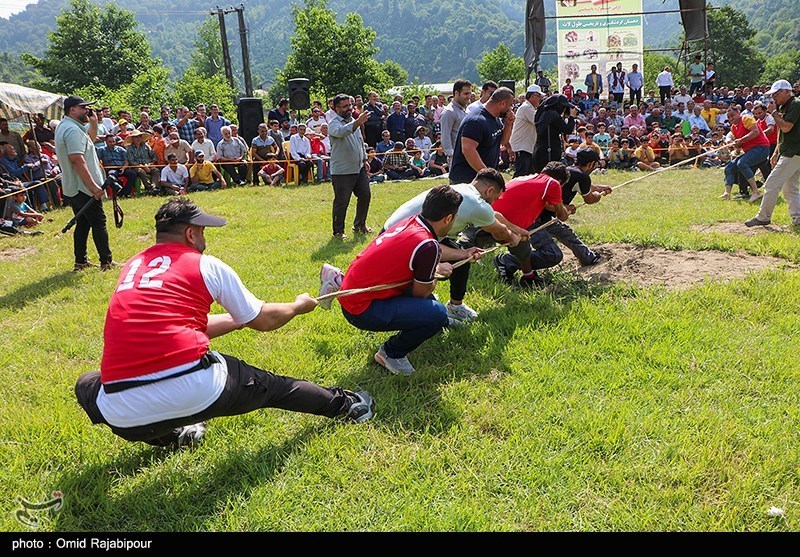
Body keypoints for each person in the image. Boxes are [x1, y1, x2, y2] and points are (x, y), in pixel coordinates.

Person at [74, 198, 373, 449]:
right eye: (203, 231)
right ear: (191, 234)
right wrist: (298, 306)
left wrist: (236, 320)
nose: (205, 238)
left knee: (87, 383)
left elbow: (180, 326)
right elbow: (265, 321)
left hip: (122, 415)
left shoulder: (133, 265)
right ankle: (348, 406)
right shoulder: (205, 265)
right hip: (197, 387)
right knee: (275, 388)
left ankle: (176, 434)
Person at [339, 185, 461, 375]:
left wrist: (455, 257)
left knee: (431, 305)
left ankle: (443, 321)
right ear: (448, 218)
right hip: (360, 308)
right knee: (435, 312)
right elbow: (421, 292)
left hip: (351, 293)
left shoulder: (412, 222)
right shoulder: (428, 246)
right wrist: (436, 271)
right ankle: (391, 353)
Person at [384, 167, 523, 324]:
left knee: (462, 259)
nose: (493, 203)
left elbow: (494, 215)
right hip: (402, 241)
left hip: (392, 231)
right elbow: (499, 232)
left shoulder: (463, 189)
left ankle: (454, 307)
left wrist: (517, 230)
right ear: (490, 190)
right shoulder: (476, 205)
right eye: (495, 198)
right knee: (433, 269)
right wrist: (513, 238)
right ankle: (427, 313)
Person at [495, 151, 611, 284]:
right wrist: (598, 195)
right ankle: (507, 260)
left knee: (566, 233)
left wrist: (598, 188)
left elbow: (580, 188)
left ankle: (588, 257)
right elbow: (589, 199)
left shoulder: (565, 172)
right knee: (553, 255)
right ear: (592, 164)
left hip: (542, 216)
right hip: (533, 219)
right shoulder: (577, 177)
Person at [54, 96, 115, 272]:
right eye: (83, 108)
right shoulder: (72, 130)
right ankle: (106, 262)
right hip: (83, 186)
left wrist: (94, 124)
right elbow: (77, 160)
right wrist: (93, 187)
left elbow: (88, 141)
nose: (87, 111)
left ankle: (80, 262)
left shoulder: (68, 126)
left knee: (83, 222)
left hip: (74, 186)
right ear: (72, 109)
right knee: (98, 221)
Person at [746, 80, 800, 227]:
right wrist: (776, 151)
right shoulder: (786, 106)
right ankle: (798, 219)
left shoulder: (795, 104)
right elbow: (781, 131)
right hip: (790, 152)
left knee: (771, 184)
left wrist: (774, 113)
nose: (773, 97)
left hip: (793, 152)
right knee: (790, 188)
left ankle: (763, 217)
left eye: (776, 94)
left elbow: (786, 127)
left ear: (787, 91)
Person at [327, 93, 372, 240]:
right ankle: (338, 232)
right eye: (345, 106)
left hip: (358, 168)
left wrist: (365, 159)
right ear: (336, 108)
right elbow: (341, 133)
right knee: (342, 201)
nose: (349, 108)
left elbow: (360, 142)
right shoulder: (333, 123)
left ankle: (360, 224)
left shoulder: (354, 121)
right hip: (342, 171)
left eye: (350, 105)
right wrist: (358, 122)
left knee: (365, 195)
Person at [449, 87, 516, 184]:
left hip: (481, 178)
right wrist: (488, 176)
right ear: (502, 103)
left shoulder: (494, 118)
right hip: (466, 180)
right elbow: (468, 149)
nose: (510, 109)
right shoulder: (476, 120)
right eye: (509, 106)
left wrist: (508, 124)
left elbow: (502, 141)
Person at [719, 106, 770, 202]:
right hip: (750, 151)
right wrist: (734, 146)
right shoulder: (733, 128)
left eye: (732, 116)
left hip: (761, 148)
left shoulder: (746, 118)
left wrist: (741, 140)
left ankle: (756, 192)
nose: (731, 119)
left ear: (738, 112)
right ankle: (727, 193)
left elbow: (756, 132)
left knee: (742, 163)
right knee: (729, 168)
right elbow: (739, 146)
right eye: (729, 117)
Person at [533, 94, 578, 172]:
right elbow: (567, 129)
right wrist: (572, 117)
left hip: (542, 148)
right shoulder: (552, 115)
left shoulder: (545, 113)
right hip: (549, 150)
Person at [509, 84, 543, 177]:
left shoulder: (529, 108)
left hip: (526, 147)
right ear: (532, 96)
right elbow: (539, 122)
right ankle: (509, 191)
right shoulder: (526, 108)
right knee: (521, 175)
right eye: (539, 96)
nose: (540, 99)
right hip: (522, 147)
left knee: (527, 175)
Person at [440, 80, 472, 166]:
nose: (469, 97)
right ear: (456, 93)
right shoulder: (449, 112)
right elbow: (445, 135)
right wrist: (451, 156)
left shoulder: (466, 110)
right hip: (456, 157)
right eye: (466, 94)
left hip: (468, 155)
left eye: (470, 93)